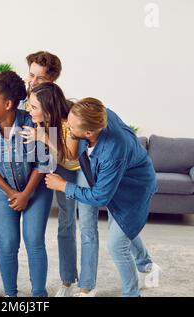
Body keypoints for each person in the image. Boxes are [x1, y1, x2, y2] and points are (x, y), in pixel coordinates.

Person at [45, 97, 162, 297]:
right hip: (115, 180)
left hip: (134, 190)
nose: (69, 130)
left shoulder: (113, 151)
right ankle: (149, 265)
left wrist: (64, 186)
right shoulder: (99, 114)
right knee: (124, 229)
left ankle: (132, 294)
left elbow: (99, 197)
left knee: (116, 244)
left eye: (72, 128)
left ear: (88, 133)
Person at [0, 71, 53, 297]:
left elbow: (44, 163)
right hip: (2, 191)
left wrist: (26, 194)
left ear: (8, 104)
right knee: (8, 244)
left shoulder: (32, 122)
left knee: (34, 241)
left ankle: (39, 295)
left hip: (36, 188)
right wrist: (12, 192)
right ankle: (11, 296)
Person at [21, 82, 99, 297]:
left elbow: (72, 157)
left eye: (34, 107)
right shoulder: (40, 120)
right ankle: (67, 280)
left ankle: (86, 286)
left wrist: (43, 137)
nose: (29, 109)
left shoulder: (70, 120)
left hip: (84, 169)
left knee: (87, 227)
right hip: (62, 168)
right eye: (29, 105)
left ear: (48, 109)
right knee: (65, 224)